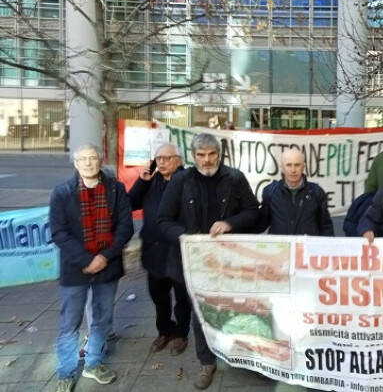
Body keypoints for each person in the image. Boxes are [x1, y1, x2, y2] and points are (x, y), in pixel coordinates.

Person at [158, 133, 259, 390]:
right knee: (200, 311)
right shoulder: (181, 180)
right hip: (194, 261)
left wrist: (229, 223)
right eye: (201, 155)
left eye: (211, 154)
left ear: (219, 154)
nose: (206, 160)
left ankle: (237, 353)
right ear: (193, 156)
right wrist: (186, 238)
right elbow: (163, 221)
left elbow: (253, 213)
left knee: (234, 308)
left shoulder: (234, 178)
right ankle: (207, 362)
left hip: (229, 260)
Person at [49, 144, 133, 392]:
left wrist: (104, 256)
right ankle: (65, 371)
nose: (88, 163)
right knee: (70, 323)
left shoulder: (116, 189)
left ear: (100, 160)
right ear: (75, 164)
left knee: (101, 319)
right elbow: (59, 233)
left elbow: (125, 227)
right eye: (82, 159)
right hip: (76, 269)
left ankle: (94, 362)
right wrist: (87, 260)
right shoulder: (62, 192)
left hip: (108, 265)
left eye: (92, 158)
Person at [128, 143, 190, 355]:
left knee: (182, 297)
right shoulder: (150, 181)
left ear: (178, 160)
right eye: (159, 158)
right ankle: (164, 330)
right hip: (154, 251)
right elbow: (130, 203)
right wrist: (141, 182)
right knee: (158, 295)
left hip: (178, 251)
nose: (162, 162)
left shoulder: (187, 181)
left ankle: (181, 333)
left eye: (167, 158)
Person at [257, 148, 333, 235]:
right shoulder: (270, 192)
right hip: (281, 247)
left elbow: (326, 226)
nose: (293, 170)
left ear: (303, 167)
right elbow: (261, 223)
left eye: (297, 165)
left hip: (307, 247)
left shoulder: (316, 192)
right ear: (281, 167)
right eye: (289, 165)